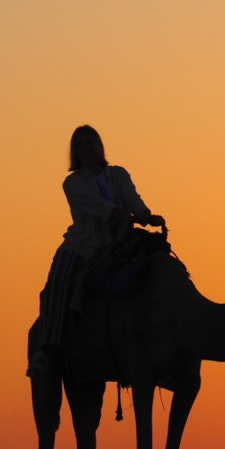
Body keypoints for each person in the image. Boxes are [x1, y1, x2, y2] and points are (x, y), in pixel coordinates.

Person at [27, 125, 164, 377]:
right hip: (83, 246)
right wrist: (119, 214)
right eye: (79, 145)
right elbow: (98, 207)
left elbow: (132, 198)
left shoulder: (118, 175)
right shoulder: (73, 184)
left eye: (90, 142)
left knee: (161, 266)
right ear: (74, 153)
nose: (85, 148)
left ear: (100, 146)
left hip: (120, 242)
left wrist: (145, 215)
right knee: (59, 281)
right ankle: (49, 348)